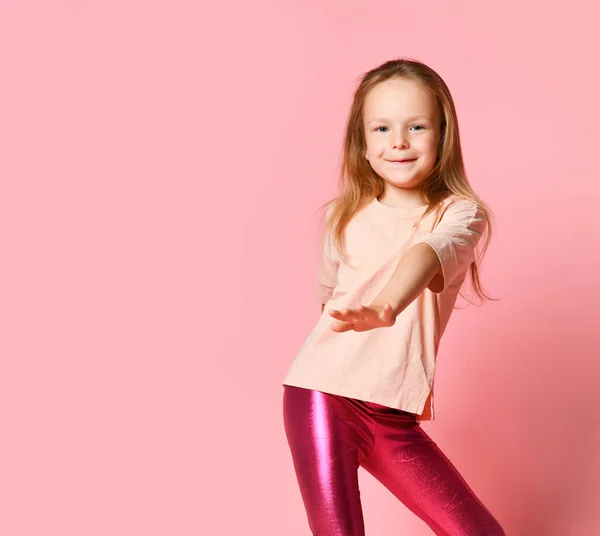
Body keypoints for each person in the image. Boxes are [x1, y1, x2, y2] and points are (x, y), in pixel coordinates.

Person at [281, 58, 506, 536]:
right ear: (362, 146)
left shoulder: (461, 214)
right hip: (323, 393)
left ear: (443, 138)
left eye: (416, 126)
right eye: (381, 128)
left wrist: (386, 306)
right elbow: (329, 302)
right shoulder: (342, 218)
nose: (398, 141)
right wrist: (361, 319)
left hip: (393, 414)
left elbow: (427, 254)